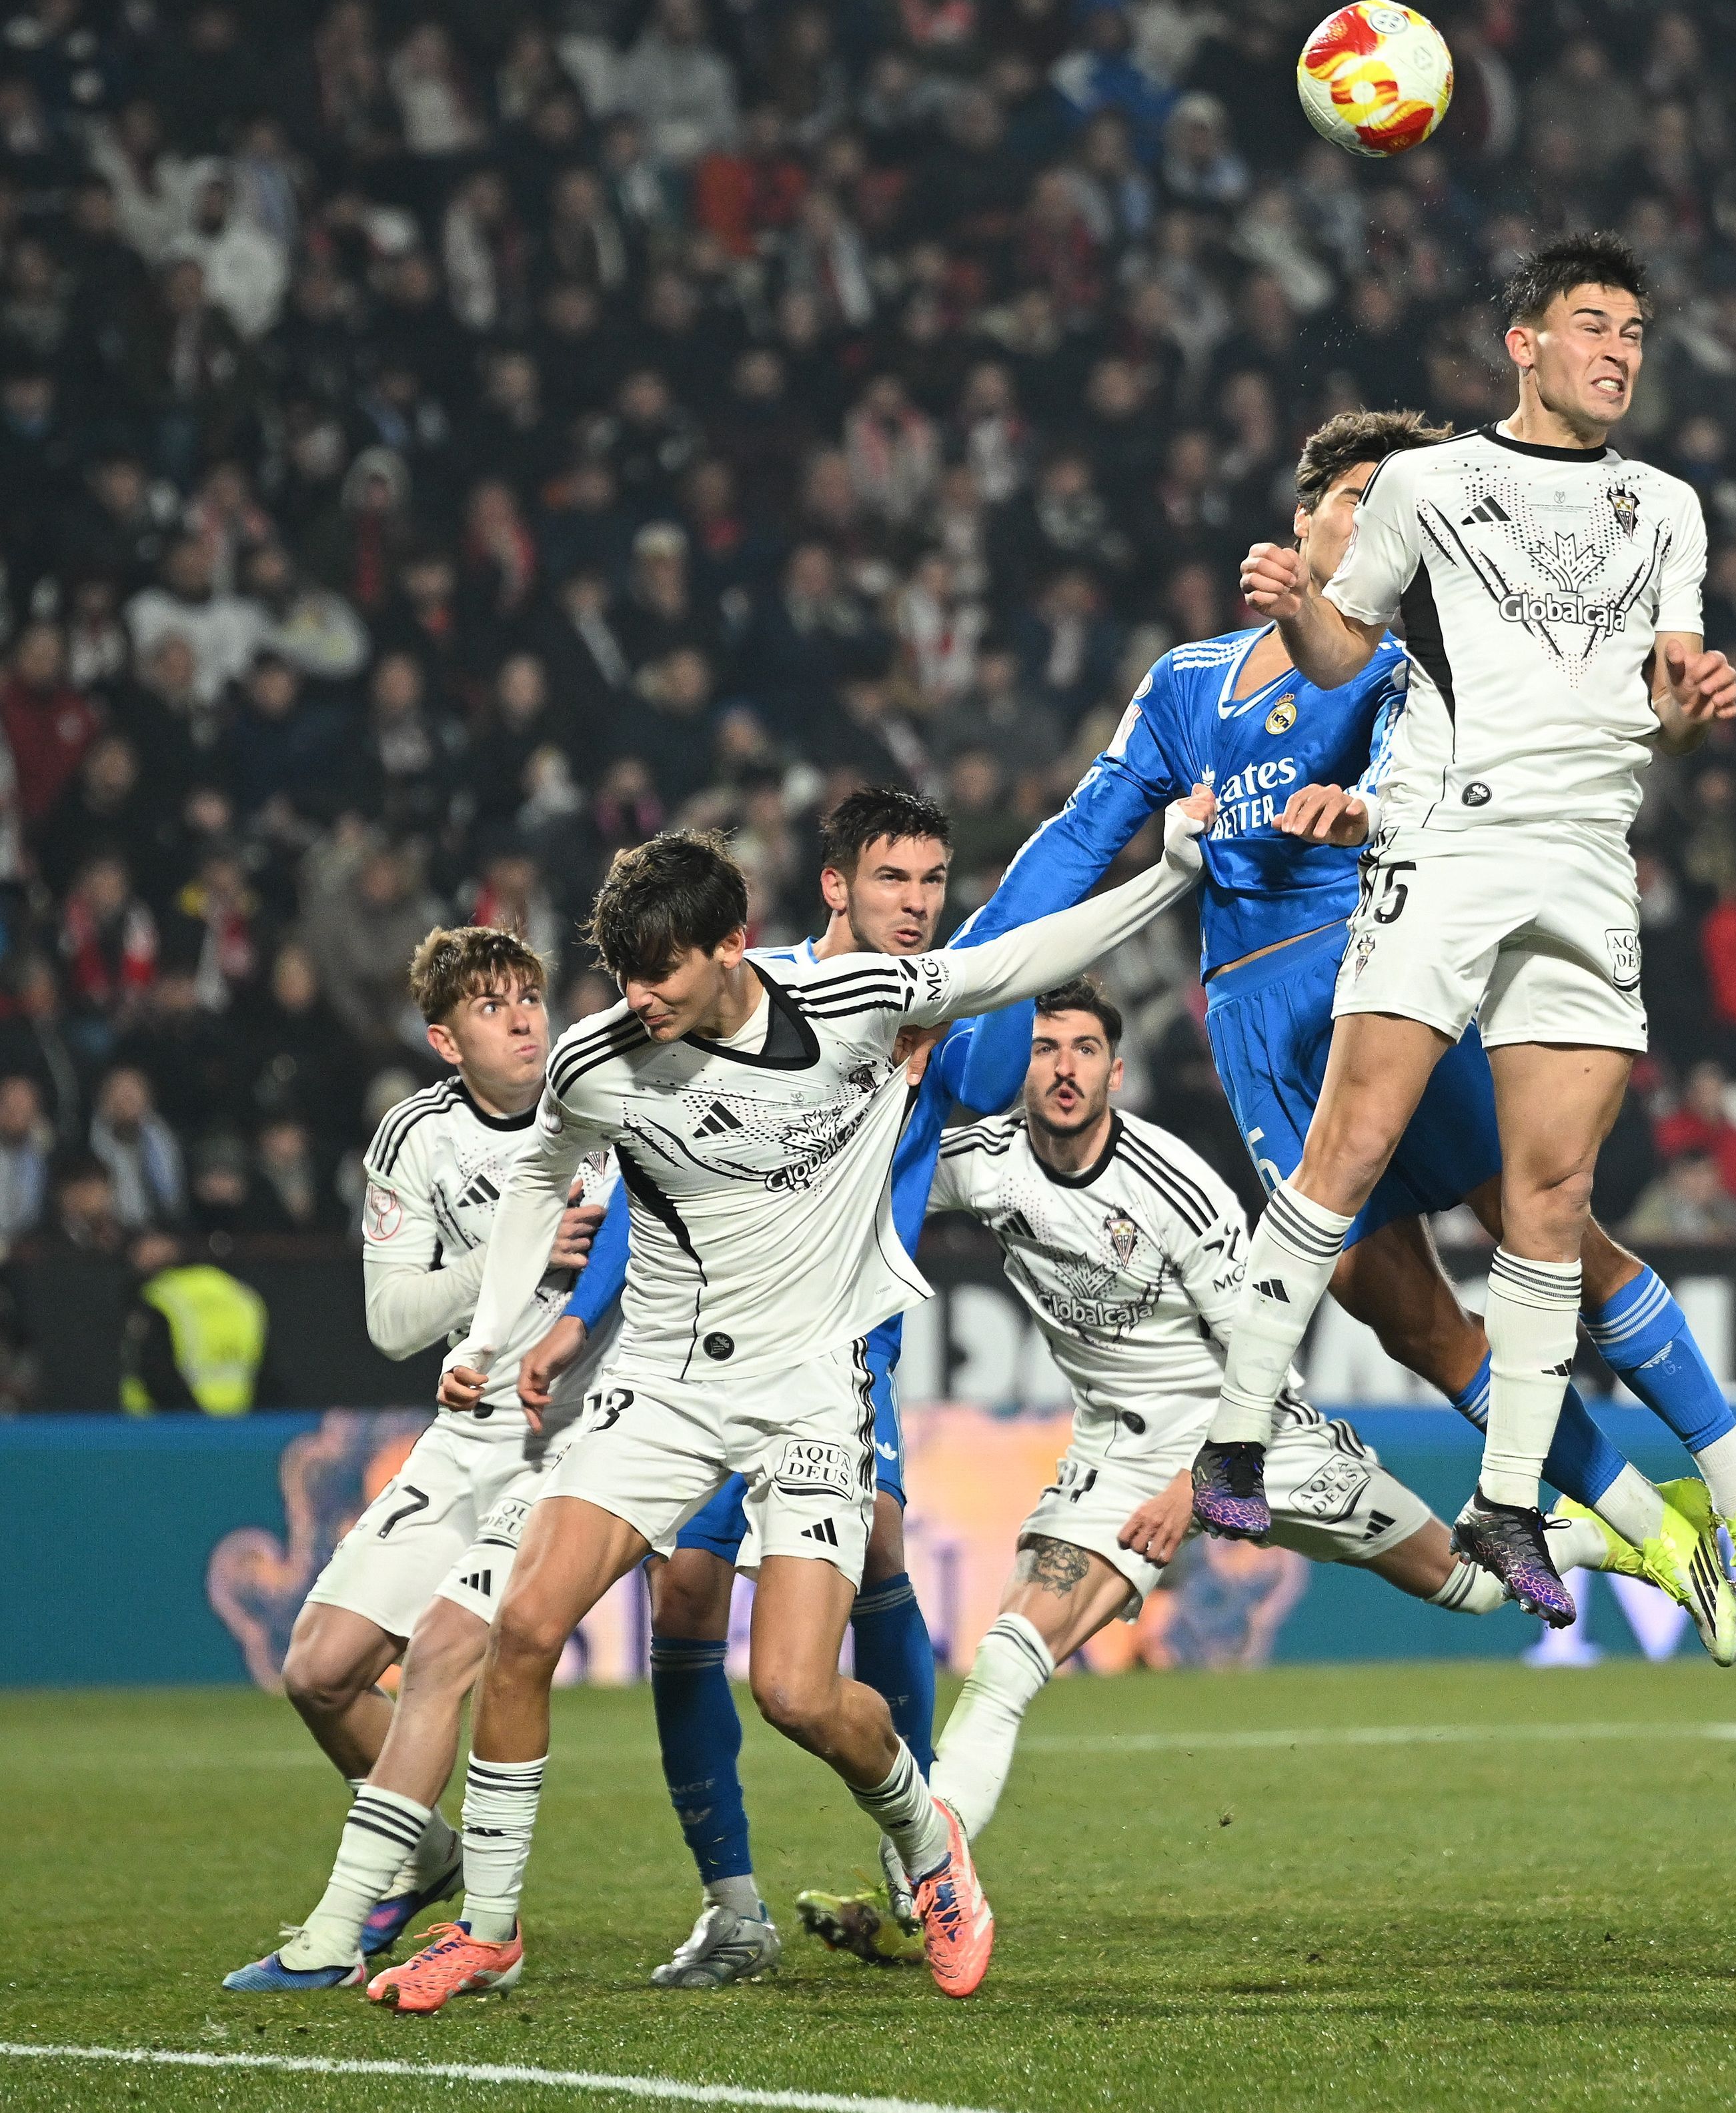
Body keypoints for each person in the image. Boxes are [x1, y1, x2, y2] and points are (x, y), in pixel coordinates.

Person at [367, 816, 1211, 2014]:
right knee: (523, 1626)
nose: (636, 998)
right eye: (622, 974)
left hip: (810, 1383)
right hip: (660, 1383)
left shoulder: (860, 1004)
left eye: (661, 972)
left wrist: (1171, 873)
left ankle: (932, 1854)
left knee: (800, 1693)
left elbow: (1016, 959)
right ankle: (491, 1929)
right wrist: (500, 1329)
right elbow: (539, 1181)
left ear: (732, 946)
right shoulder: (600, 1060)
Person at [1051, 408, 1736, 1661]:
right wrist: (969, 976)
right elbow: (1092, 830)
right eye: (1351, 497)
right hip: (1249, 1019)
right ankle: (1642, 1526)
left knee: (1542, 1223)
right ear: (1305, 517)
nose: (1371, 518)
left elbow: (1413, 752)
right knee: (1394, 1305)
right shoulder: (1189, 681)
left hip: (1387, 973)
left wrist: (1360, 815)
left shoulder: (1414, 666)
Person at [1204, 235, 1736, 1633]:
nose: (1619, 351)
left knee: (1551, 1205)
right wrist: (1299, 608)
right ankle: (1235, 1441)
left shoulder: (1669, 508)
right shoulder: (1436, 484)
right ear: (1525, 343)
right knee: (1356, 1145)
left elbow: (1666, 694)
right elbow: (1352, 651)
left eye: (1634, 329)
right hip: (1451, 843)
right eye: (1591, 325)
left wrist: (1689, 719)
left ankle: (1513, 1502)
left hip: (1587, 861)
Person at [888, 981, 1625, 1886]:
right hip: (1118, 1449)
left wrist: (1193, 1487)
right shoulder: (986, 1163)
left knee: (1470, 1587)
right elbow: (876, 1182)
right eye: (1044, 1050)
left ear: (1117, 1071)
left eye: (1084, 1049)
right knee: (1007, 1658)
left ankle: (1590, 1540)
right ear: (1017, 1067)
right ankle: (918, 1892)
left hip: (1258, 1439)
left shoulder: (1178, 1188)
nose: (1064, 1068)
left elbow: (1263, 1362)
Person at [607, 785, 1152, 1984]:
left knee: (884, 1554)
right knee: (686, 1598)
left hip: (845, 1348)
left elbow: (1023, 934)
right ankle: (733, 1904)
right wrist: (580, 1321)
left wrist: (1138, 812)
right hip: (707, 1347)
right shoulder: (751, 991)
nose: (918, 906)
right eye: (893, 881)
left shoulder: (945, 1015)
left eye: (932, 883)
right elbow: (648, 1163)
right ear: (836, 885)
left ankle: (920, 1859)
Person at [223, 927, 627, 1990]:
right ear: (447, 1041)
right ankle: (430, 1853)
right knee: (317, 1669)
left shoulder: (612, 1103)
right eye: (494, 1007)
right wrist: (513, 1256)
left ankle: (339, 1923)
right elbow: (394, 1321)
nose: (526, 1017)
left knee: (446, 1652)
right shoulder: (417, 1138)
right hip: (470, 1430)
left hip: (581, 1442)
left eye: (531, 996)